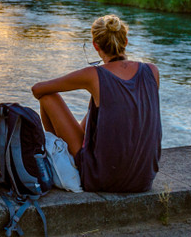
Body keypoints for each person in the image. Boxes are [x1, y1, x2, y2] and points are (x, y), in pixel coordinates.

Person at [31, 14, 161, 193]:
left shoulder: (94, 75)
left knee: (48, 96)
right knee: (101, 102)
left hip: (102, 179)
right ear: (125, 41)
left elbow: (38, 89)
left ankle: (59, 158)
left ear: (95, 45)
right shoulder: (152, 71)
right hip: (144, 180)